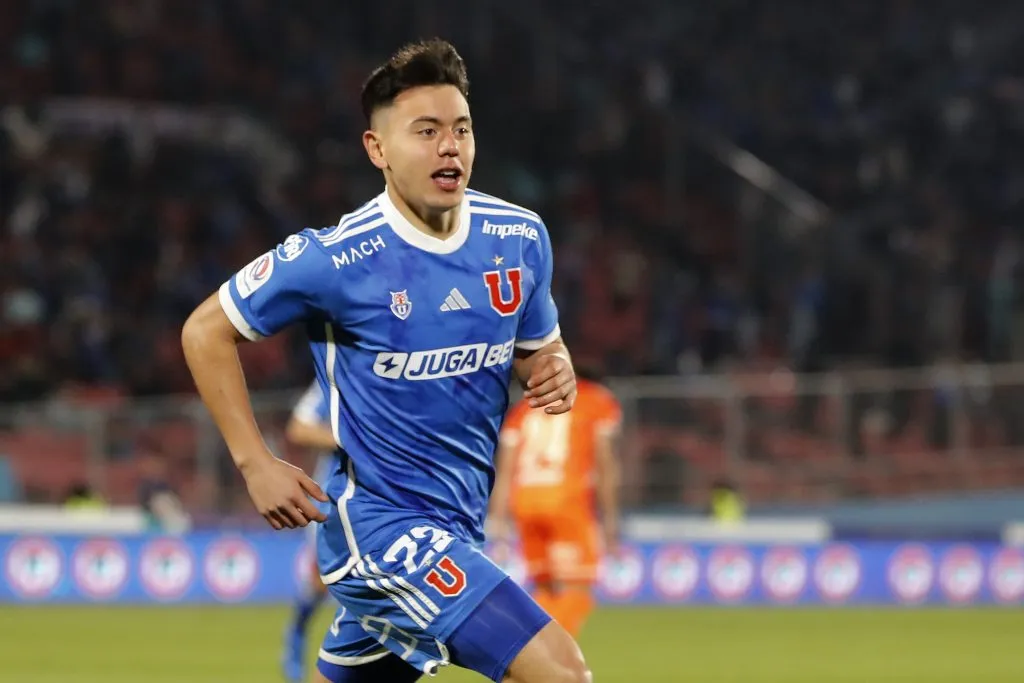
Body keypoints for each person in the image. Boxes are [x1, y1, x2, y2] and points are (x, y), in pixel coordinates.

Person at [181, 39, 590, 683]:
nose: (448, 147)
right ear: (377, 150)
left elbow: (540, 350)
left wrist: (554, 367)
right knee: (560, 672)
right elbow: (205, 331)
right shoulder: (334, 260)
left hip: (457, 526)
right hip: (377, 528)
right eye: (424, 132)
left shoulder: (518, 237)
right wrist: (254, 462)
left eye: (460, 129)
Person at [489, 369, 622, 638]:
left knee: (546, 586)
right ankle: (545, 661)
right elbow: (606, 466)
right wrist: (609, 520)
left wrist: (498, 521)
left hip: (525, 501)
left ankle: (529, 651)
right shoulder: (595, 400)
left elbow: (504, 471)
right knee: (578, 586)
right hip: (566, 500)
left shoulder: (523, 410)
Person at [281, 381, 340, 682]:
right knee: (321, 583)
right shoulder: (333, 375)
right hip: (334, 500)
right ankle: (296, 633)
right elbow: (299, 428)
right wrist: (351, 441)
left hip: (387, 500)